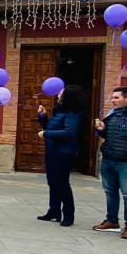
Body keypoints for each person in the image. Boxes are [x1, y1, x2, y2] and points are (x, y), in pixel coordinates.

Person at [37, 84, 87, 227]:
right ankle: (53, 211)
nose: (58, 95)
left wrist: (46, 134)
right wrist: (42, 116)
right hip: (52, 151)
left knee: (62, 184)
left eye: (61, 93)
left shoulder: (73, 113)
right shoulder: (59, 110)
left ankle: (68, 215)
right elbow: (50, 127)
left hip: (64, 153)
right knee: (52, 182)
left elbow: (69, 132)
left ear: (68, 97)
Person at [93, 87, 127, 238]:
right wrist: (101, 129)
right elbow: (108, 135)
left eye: (116, 98)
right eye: (113, 97)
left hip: (124, 162)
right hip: (108, 159)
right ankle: (112, 221)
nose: (113, 100)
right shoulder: (111, 115)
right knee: (110, 192)